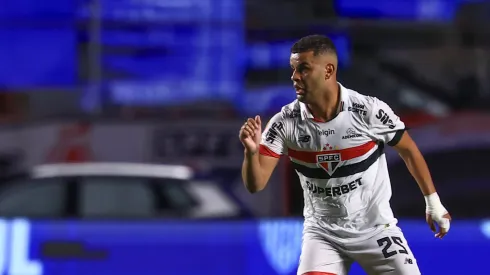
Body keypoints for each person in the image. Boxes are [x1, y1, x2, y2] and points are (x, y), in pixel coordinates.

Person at [239, 35, 451, 275]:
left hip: (375, 230)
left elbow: (409, 150)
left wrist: (433, 203)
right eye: (293, 69)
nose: (295, 76)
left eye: (303, 69)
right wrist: (251, 152)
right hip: (323, 234)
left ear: (328, 70)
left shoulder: (368, 111)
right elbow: (256, 184)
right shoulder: (285, 123)